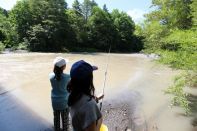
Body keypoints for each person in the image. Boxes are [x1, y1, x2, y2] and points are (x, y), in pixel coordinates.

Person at [67, 60, 103, 131]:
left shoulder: (72, 95)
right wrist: (99, 121)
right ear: (89, 80)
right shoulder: (89, 105)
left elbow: (82, 105)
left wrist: (97, 99)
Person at [49, 57, 70, 131]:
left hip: (54, 102)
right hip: (64, 102)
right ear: (63, 67)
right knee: (65, 120)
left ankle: (57, 129)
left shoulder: (50, 76)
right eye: (65, 64)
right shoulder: (67, 77)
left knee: (56, 119)